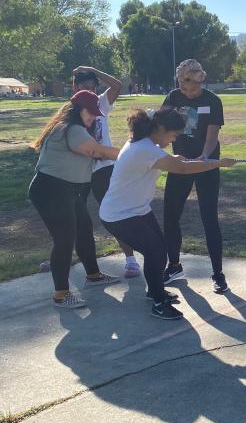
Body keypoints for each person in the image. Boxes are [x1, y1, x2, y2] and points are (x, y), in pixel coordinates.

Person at [100, 108, 235, 320]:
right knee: (156, 253)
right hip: (120, 215)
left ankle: (155, 291)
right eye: (173, 135)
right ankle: (158, 302)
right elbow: (182, 169)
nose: (173, 140)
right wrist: (218, 163)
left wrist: (174, 158)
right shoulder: (146, 149)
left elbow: (170, 161)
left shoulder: (143, 144)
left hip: (137, 210)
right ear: (160, 129)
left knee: (159, 250)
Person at [29, 91, 123, 308]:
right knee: (64, 240)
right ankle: (61, 294)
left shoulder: (72, 128)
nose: (93, 117)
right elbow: (96, 150)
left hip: (66, 189)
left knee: (84, 227)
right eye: (90, 112)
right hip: (52, 189)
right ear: (78, 110)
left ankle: (93, 275)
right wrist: (130, 152)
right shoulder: (72, 130)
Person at [161, 59, 228, 293]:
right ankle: (174, 265)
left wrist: (204, 157)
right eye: (183, 87)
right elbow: (161, 126)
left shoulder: (212, 101)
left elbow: (212, 134)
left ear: (200, 79)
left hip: (205, 164)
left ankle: (218, 273)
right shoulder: (172, 97)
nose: (187, 93)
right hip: (180, 164)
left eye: (191, 87)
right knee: (170, 215)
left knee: (209, 217)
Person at [70, 66, 140, 279]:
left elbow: (117, 85)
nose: (89, 91)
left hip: (102, 168)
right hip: (78, 171)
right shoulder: (69, 109)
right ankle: (63, 256)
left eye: (92, 87)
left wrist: (92, 70)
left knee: (114, 213)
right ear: (75, 87)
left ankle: (130, 260)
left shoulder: (100, 103)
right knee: (70, 216)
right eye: (84, 87)